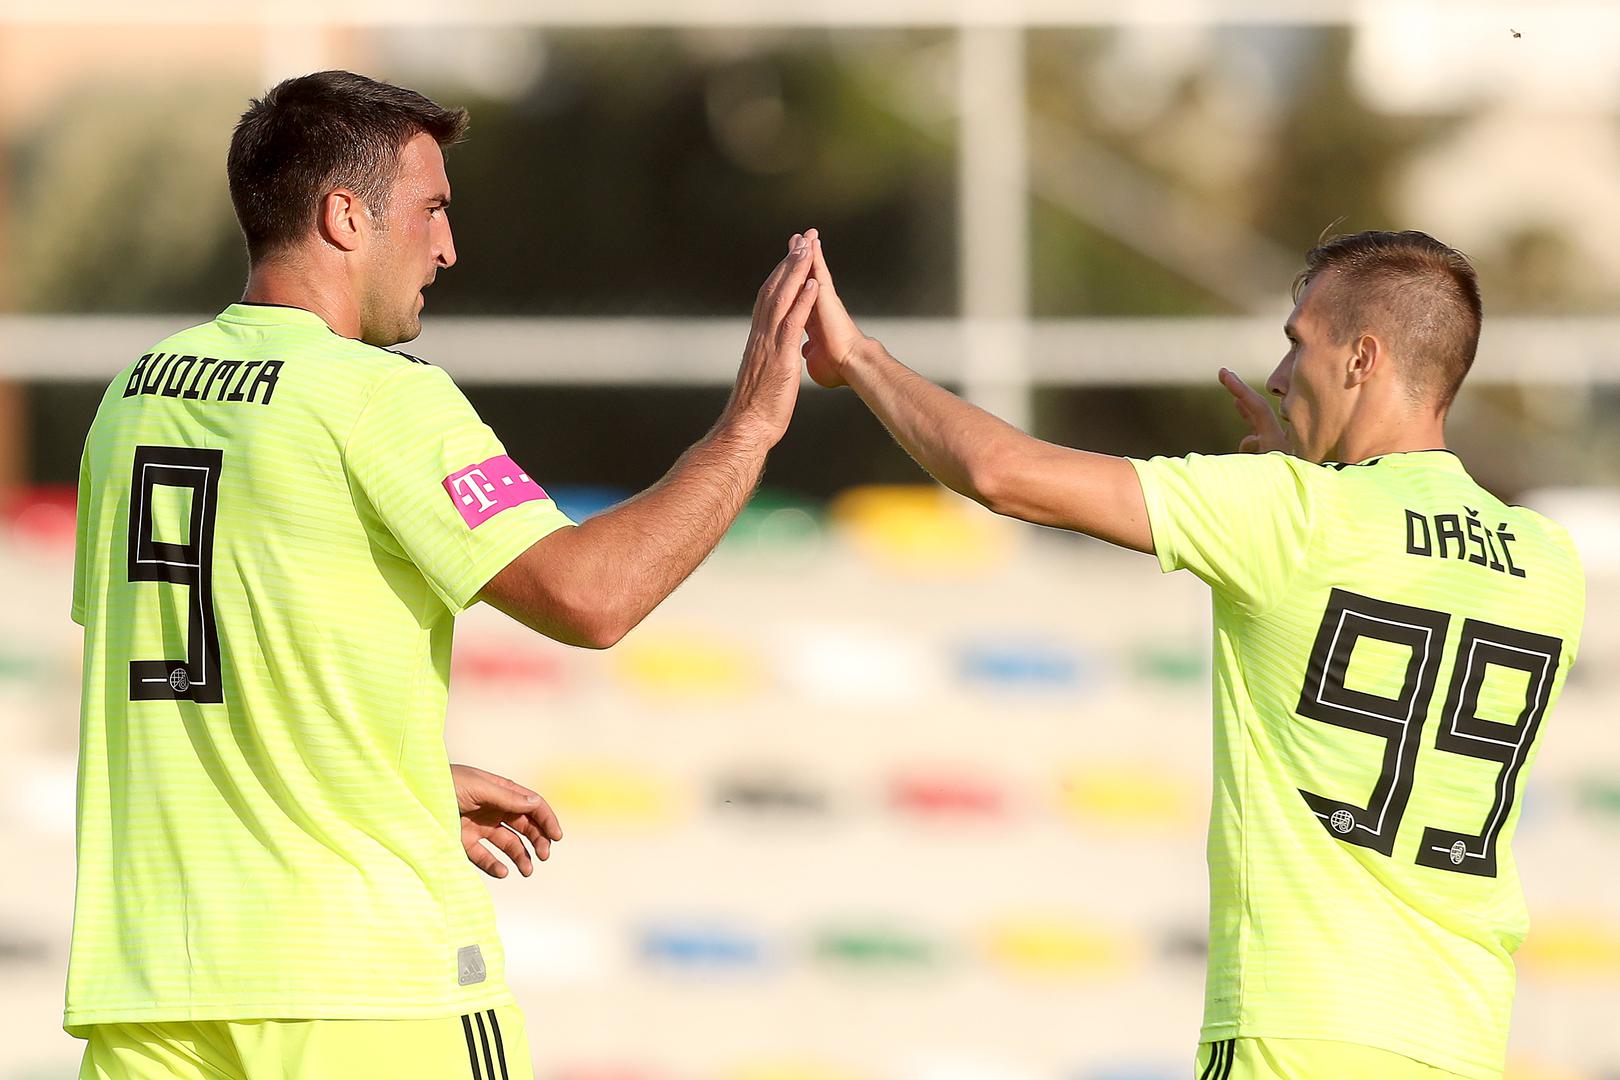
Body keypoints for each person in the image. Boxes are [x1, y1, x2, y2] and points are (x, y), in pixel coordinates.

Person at [68, 70, 818, 1080]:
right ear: (345, 217)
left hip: (157, 984)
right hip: (363, 983)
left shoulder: (135, 395)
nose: (448, 247)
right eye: (431, 210)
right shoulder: (376, 395)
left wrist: (393, 783)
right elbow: (592, 596)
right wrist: (749, 428)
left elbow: (192, 667)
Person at [799, 230, 1584, 1080]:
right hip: (1463, 1039)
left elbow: (1002, 473)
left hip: (1297, 1032)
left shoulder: (1287, 513)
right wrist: (1310, 477)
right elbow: (1397, 568)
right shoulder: (1548, 559)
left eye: (1297, 344)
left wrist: (860, 358)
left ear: (1362, 359)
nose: (1279, 377)